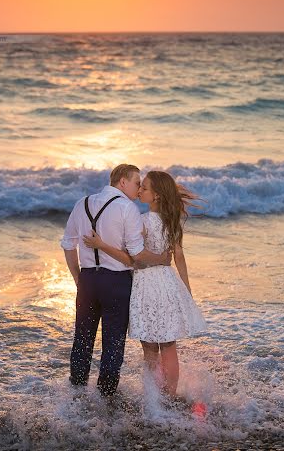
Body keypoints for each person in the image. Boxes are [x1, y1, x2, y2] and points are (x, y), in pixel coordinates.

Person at [83, 170, 206, 399]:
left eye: (145, 188)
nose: (140, 190)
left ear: (156, 196)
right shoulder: (172, 222)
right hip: (168, 283)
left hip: (147, 285)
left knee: (150, 347)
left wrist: (101, 244)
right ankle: (169, 395)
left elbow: (133, 257)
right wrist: (187, 289)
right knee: (169, 345)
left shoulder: (142, 221)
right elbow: (179, 256)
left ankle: (153, 398)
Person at [61, 164, 171, 397]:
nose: (138, 187)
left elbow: (68, 245)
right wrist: (162, 258)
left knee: (82, 338)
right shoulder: (126, 208)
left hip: (88, 279)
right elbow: (137, 255)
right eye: (136, 182)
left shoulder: (82, 203)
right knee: (113, 342)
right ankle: (106, 396)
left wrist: (78, 278)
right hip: (117, 282)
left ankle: (76, 395)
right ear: (122, 182)